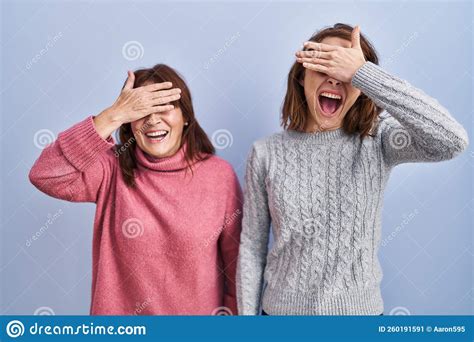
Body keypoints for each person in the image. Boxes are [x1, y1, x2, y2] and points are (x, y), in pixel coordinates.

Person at [236, 23, 469, 315]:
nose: (335, 79)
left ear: (362, 88)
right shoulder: (265, 152)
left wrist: (364, 73)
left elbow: (451, 140)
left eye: (344, 69)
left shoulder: (378, 140)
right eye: (324, 66)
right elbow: (252, 249)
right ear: (301, 76)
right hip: (281, 317)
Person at [29, 64, 242, 315]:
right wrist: (112, 115)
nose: (152, 120)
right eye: (140, 110)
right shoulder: (111, 168)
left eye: (163, 107)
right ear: (129, 123)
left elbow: (236, 266)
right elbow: (44, 174)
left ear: (186, 117)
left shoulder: (219, 176)